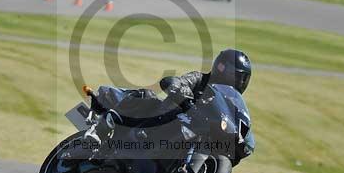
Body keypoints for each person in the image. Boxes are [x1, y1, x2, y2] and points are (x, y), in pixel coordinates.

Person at [90, 49, 252, 141]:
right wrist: (183, 95)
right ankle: (102, 128)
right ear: (221, 68)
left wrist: (243, 139)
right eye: (236, 76)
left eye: (243, 78)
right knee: (148, 97)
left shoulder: (230, 102)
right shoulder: (200, 79)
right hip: (163, 120)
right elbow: (177, 82)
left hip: (192, 132)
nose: (239, 81)